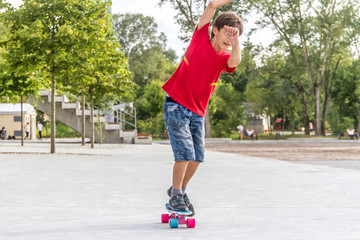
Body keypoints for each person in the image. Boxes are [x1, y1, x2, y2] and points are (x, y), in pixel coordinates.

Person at [162, 0, 243, 215]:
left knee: (197, 157)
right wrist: (215, 4)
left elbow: (234, 63)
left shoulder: (225, 56)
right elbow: (210, 10)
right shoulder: (199, 38)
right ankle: (176, 196)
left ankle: (178, 190)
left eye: (233, 37)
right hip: (176, 105)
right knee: (185, 153)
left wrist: (235, 44)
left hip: (197, 112)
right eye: (227, 35)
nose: (229, 40)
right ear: (214, 30)